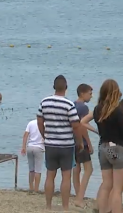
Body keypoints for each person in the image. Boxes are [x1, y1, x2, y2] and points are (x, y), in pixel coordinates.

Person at [81, 79, 123, 213]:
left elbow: (83, 121)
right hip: (118, 148)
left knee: (106, 184)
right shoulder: (117, 111)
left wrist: (97, 131)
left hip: (103, 147)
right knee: (117, 189)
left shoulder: (97, 110)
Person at [37, 75, 84, 211]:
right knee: (66, 176)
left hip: (50, 143)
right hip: (66, 145)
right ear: (66, 87)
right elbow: (76, 126)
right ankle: (65, 207)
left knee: (50, 175)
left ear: (54, 87)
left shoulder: (44, 102)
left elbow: (40, 121)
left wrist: (44, 135)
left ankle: (48, 206)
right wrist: (80, 142)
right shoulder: (69, 104)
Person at [73, 83, 94, 207]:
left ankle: (78, 195)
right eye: (90, 94)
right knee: (89, 169)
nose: (91, 97)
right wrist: (89, 143)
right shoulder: (83, 108)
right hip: (81, 142)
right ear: (82, 93)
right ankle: (79, 198)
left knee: (76, 169)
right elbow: (82, 126)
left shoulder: (72, 105)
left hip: (72, 140)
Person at [21, 118, 44, 193]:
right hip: (39, 148)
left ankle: (31, 187)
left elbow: (25, 136)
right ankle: (36, 189)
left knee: (31, 169)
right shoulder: (45, 124)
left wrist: (23, 147)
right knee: (38, 170)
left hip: (30, 147)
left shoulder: (31, 123)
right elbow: (46, 137)